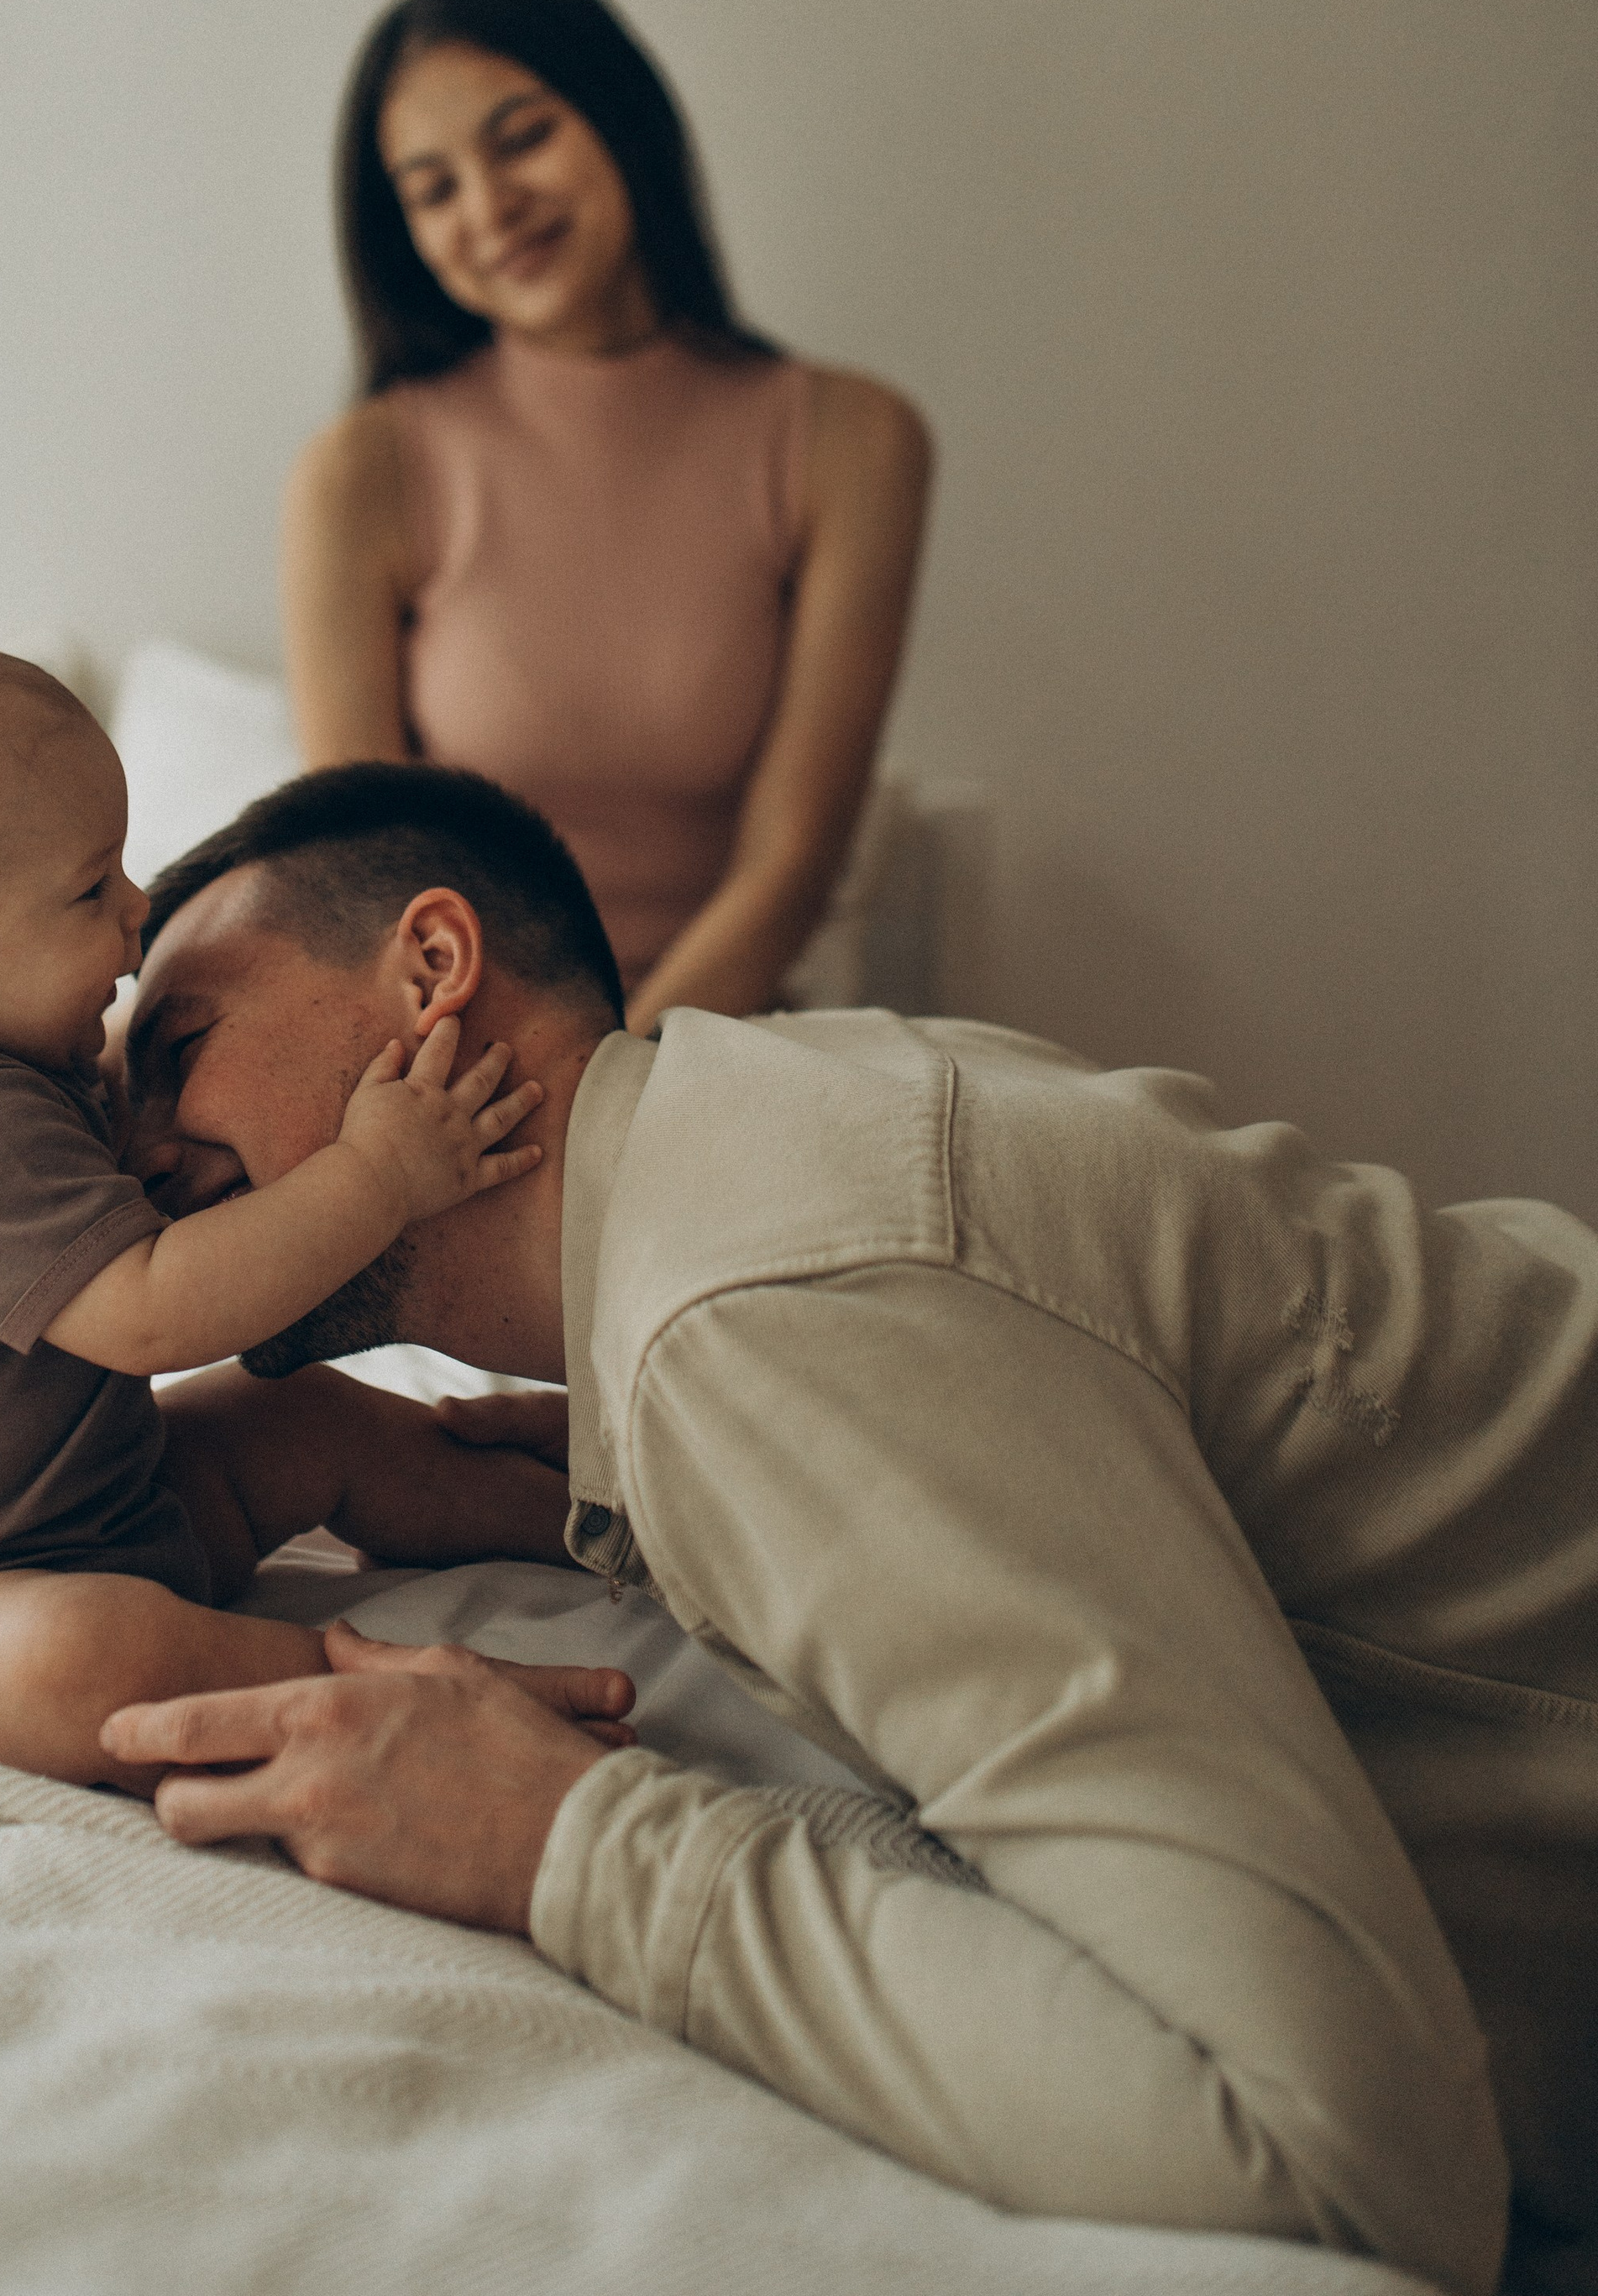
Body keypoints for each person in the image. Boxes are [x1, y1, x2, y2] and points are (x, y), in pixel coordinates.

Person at [99, 758, 1598, 2296]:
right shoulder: (785, 1118)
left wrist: (562, 1836)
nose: (127, 1155)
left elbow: (1337, 2163)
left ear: (432, 969)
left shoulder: (750, 1308)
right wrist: (615, 1502)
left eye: (179, 1047)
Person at [0, 627, 626, 1788]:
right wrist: (377, 1173)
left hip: (112, 1510)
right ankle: (366, 1684)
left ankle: (619, 1533)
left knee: (304, 1419)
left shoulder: (22, 1074)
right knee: (87, 1656)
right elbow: (152, 1313)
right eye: (93, 887)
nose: (135, 915)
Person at [282, 0, 933, 1030]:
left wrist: (618, 1078)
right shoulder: (362, 473)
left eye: (524, 137)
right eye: (434, 190)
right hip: (442, 1060)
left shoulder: (851, 442)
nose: (490, 207)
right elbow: (366, 883)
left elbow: (792, 864)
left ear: (620, 117)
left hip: (721, 1046)